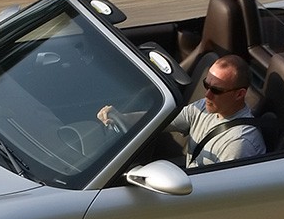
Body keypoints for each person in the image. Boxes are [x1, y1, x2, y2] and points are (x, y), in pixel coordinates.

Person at [98, 54, 265, 167]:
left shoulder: (239, 145)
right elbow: (163, 121)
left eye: (216, 90)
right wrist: (123, 118)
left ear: (240, 94)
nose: (207, 94)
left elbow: (223, 193)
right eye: (206, 85)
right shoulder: (204, 108)